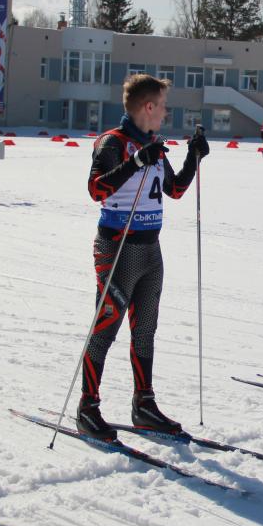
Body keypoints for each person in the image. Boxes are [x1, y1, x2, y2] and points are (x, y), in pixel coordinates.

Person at [76, 74, 209, 440]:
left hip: (151, 250)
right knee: (106, 328)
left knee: (145, 329)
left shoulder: (152, 145)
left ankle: (144, 404)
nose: (165, 114)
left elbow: (175, 189)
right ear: (148, 107)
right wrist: (135, 163)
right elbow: (96, 189)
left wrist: (193, 158)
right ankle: (88, 407)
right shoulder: (112, 143)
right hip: (117, 249)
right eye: (163, 106)